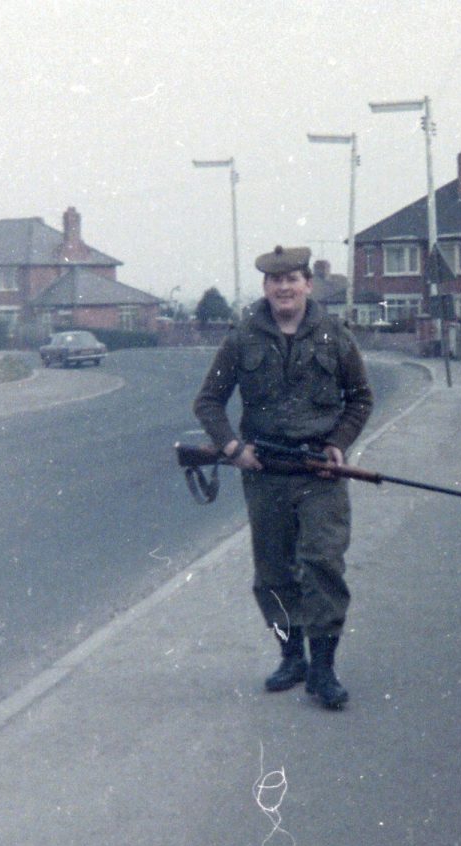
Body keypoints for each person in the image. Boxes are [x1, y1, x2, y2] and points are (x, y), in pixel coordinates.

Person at [193, 245, 374, 710]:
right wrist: (233, 448)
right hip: (266, 477)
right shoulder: (242, 338)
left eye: (293, 279)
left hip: (319, 473)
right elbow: (209, 401)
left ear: (308, 284)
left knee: (324, 564)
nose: (284, 288)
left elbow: (360, 399)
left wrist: (339, 442)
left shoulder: (335, 336)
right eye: (276, 281)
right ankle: (290, 656)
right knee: (272, 574)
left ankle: (323, 668)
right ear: (266, 288)